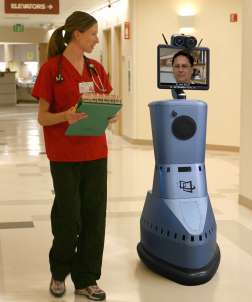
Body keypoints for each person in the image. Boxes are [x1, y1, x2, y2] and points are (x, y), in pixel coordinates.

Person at [32, 11, 117, 301]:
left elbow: (107, 102)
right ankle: (59, 272)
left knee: (95, 216)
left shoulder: (96, 69)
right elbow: (42, 117)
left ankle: (87, 278)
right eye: (93, 33)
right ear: (77, 34)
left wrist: (110, 115)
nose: (96, 39)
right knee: (69, 216)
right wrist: (65, 116)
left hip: (95, 152)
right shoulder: (51, 69)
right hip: (64, 155)